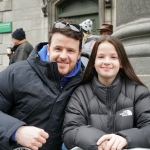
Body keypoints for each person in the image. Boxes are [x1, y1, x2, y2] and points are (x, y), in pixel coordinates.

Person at [0, 18, 84, 150]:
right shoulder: (16, 73)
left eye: (70, 51)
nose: (63, 56)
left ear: (79, 54)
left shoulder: (86, 82)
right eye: (58, 48)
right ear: (49, 49)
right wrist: (16, 131)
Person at [62, 36, 150, 150]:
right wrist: (100, 141)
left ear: (121, 62)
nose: (107, 62)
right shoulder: (80, 94)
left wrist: (125, 138)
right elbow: (70, 131)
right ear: (93, 62)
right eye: (101, 57)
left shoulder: (139, 92)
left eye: (113, 57)